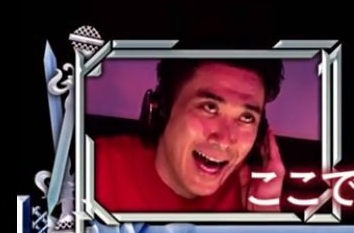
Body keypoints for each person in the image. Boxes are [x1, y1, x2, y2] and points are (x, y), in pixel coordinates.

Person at [93, 59, 287, 212]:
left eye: (246, 117)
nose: (224, 140)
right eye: (209, 107)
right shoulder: (93, 169)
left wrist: (265, 218)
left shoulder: (251, 195)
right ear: (162, 109)